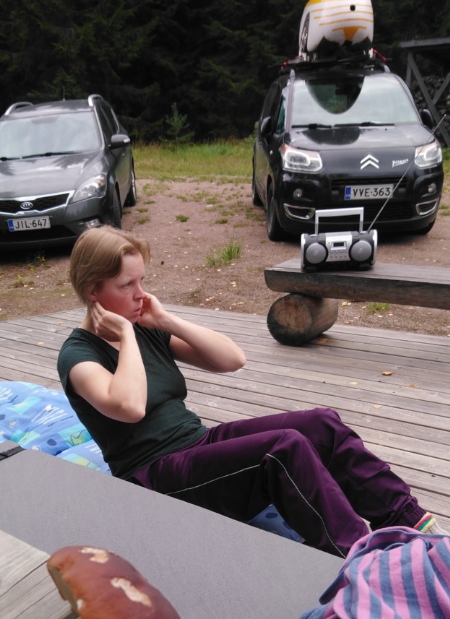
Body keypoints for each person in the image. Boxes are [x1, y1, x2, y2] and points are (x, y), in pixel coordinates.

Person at [57, 226, 444, 558]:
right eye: (127, 285)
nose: (141, 294)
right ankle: (358, 559)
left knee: (321, 424)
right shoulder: (78, 355)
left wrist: (167, 320)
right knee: (283, 448)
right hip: (153, 478)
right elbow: (129, 407)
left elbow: (231, 359)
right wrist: (126, 336)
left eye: (142, 281)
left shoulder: (145, 326)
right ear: (93, 291)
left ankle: (407, 519)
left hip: (197, 442)